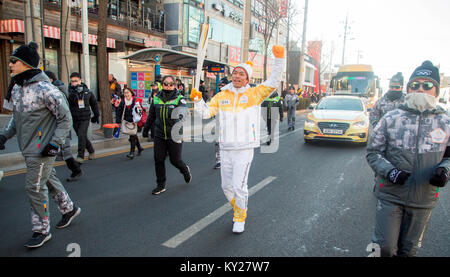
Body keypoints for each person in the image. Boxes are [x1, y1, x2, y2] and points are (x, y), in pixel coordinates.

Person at [190, 45, 285, 233]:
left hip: (244, 148)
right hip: (226, 148)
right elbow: (207, 113)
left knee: (239, 186)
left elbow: (274, 81)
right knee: (226, 187)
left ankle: (239, 216)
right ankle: (240, 207)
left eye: (241, 74)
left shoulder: (254, 94)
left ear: (247, 78)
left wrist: (279, 59)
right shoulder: (222, 95)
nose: (237, 76)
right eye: (235, 73)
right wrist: (197, 100)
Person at [0, 42, 81, 248]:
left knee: (34, 187)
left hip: (42, 149)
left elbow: (65, 118)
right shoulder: (17, 89)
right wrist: (3, 136)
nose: (9, 64)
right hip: (27, 148)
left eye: (13, 61)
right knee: (48, 180)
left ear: (26, 64)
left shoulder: (46, 89)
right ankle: (68, 209)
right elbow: (16, 119)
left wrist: (54, 143)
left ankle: (41, 230)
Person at [366, 60, 450, 257]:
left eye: (427, 85)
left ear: (436, 91)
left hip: (424, 198)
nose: (420, 89)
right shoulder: (391, 118)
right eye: (415, 85)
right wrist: (391, 172)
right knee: (383, 248)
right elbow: (373, 152)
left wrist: (445, 170)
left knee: (409, 251)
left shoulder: (446, 123)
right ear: (408, 89)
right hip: (390, 193)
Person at [142, 75, 192, 195]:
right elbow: (152, 116)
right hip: (159, 134)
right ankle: (161, 185)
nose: (168, 86)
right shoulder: (156, 98)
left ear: (174, 85)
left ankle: (185, 170)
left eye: (171, 84)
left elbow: (184, 111)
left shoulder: (179, 99)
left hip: (174, 134)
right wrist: (146, 129)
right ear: (162, 85)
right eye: (165, 83)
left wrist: (180, 116)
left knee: (175, 160)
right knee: (158, 160)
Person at [45, 71, 82, 182]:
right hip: (56, 125)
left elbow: (64, 112)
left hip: (60, 125)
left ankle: (76, 170)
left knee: (65, 150)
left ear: (50, 79)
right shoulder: (57, 90)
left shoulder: (56, 92)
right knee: (61, 150)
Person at [68, 72, 100, 163]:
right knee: (81, 136)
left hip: (85, 117)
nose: (74, 83)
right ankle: (91, 150)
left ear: (80, 80)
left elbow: (94, 104)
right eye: (72, 81)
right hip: (74, 117)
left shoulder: (87, 91)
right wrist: (73, 93)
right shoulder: (70, 91)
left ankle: (80, 155)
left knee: (81, 135)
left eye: (76, 81)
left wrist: (96, 115)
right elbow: (69, 103)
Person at [115, 88, 144, 159]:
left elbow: (141, 110)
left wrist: (140, 108)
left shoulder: (136, 101)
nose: (126, 94)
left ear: (131, 93)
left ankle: (132, 152)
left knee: (132, 137)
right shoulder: (122, 102)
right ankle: (139, 147)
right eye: (125, 93)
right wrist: (118, 122)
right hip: (127, 122)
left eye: (128, 92)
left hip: (135, 122)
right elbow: (119, 112)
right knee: (133, 135)